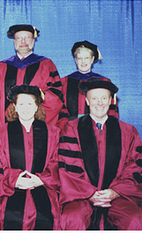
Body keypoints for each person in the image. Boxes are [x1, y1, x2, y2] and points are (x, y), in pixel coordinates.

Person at [58, 79, 142, 230]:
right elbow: (68, 167)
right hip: (81, 196)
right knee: (72, 219)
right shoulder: (71, 128)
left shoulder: (128, 131)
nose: (100, 103)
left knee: (135, 220)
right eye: (95, 98)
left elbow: (135, 166)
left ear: (111, 101)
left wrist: (115, 191)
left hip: (118, 196)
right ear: (87, 101)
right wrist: (90, 193)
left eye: (104, 98)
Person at [0, 85, 61, 230]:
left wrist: (41, 179)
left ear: (37, 107)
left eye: (30, 103)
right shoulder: (1, 132)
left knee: (45, 217)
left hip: (43, 187)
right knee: (8, 216)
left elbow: (57, 162)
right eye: (21, 104)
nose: (26, 108)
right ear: (15, 107)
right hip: (9, 189)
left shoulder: (53, 133)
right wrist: (15, 180)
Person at [0, 24, 67, 128]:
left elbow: (56, 96)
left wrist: (39, 99)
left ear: (33, 41)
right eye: (19, 38)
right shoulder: (2, 67)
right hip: (7, 126)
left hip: (37, 126)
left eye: (27, 37)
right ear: (14, 41)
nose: (23, 42)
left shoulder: (46, 65)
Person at [61, 40, 119, 120]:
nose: (83, 61)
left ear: (92, 59)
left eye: (87, 58)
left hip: (96, 127)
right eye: (80, 58)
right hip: (71, 127)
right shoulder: (64, 82)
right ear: (75, 60)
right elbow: (60, 108)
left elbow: (111, 109)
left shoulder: (103, 82)